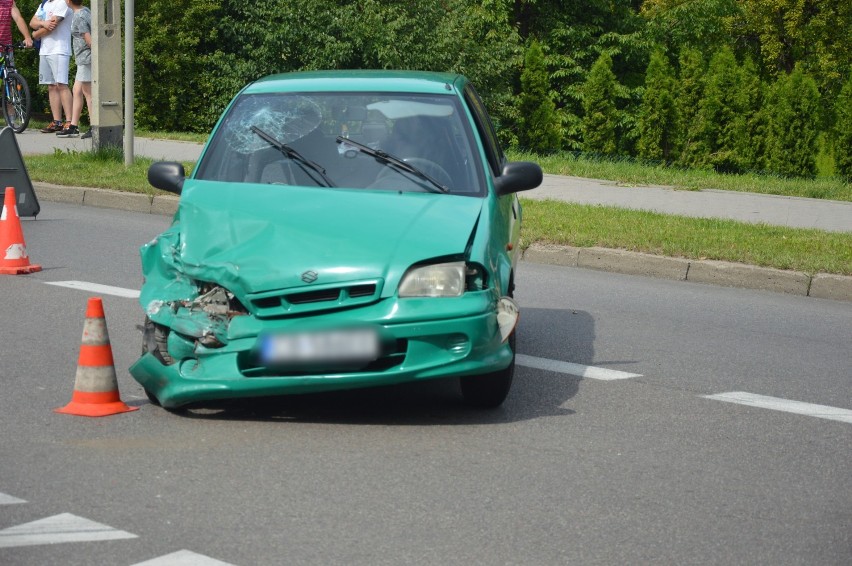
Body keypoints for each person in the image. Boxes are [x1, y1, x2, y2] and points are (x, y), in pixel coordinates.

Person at [30, 0, 72, 133]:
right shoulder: (44, 4)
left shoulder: (63, 2)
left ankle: (70, 122)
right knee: (51, 86)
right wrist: (43, 23)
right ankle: (57, 121)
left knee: (62, 85)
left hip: (59, 49)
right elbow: (32, 23)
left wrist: (35, 34)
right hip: (45, 50)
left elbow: (53, 25)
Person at [56, 0, 89, 138]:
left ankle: (95, 127)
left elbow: (89, 39)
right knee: (77, 90)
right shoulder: (86, 11)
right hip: (83, 59)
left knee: (89, 94)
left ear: (68, 1)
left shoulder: (79, 17)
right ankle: (73, 126)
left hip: (86, 59)